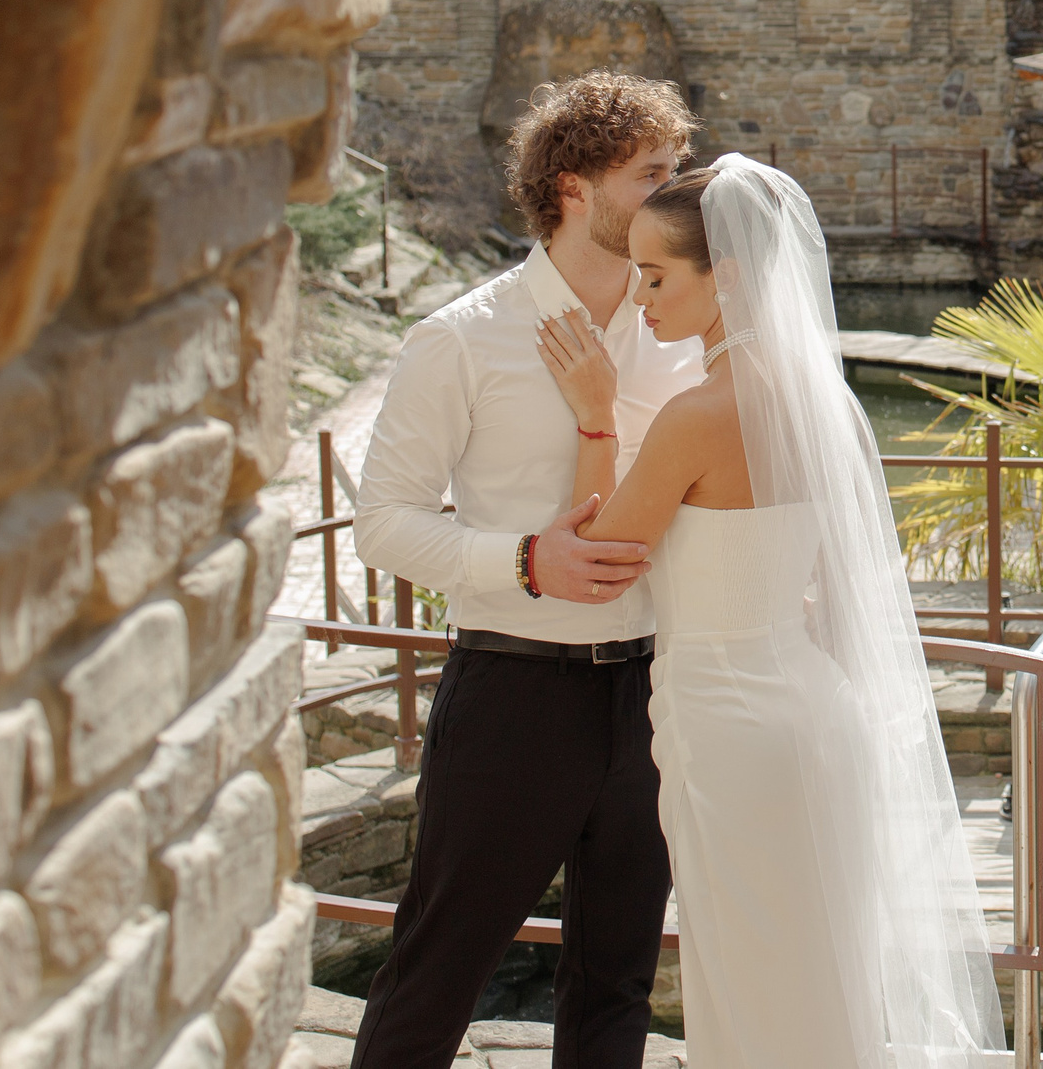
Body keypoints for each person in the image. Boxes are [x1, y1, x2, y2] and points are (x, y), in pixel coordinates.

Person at [533, 155, 1002, 1069]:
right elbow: (831, 583)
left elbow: (598, 566)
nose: (641, 297)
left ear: (730, 276)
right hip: (816, 711)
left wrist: (594, 418)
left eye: (659, 275)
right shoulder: (825, 403)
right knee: (819, 972)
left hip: (729, 723)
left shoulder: (698, 414)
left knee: (746, 980)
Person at [349, 72, 705, 1069]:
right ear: (572, 190)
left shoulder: (681, 332)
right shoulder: (458, 338)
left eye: (675, 170)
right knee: (436, 970)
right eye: (651, 174)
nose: (674, 193)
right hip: (510, 693)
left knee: (618, 984)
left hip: (650, 692)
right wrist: (522, 559)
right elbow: (382, 525)